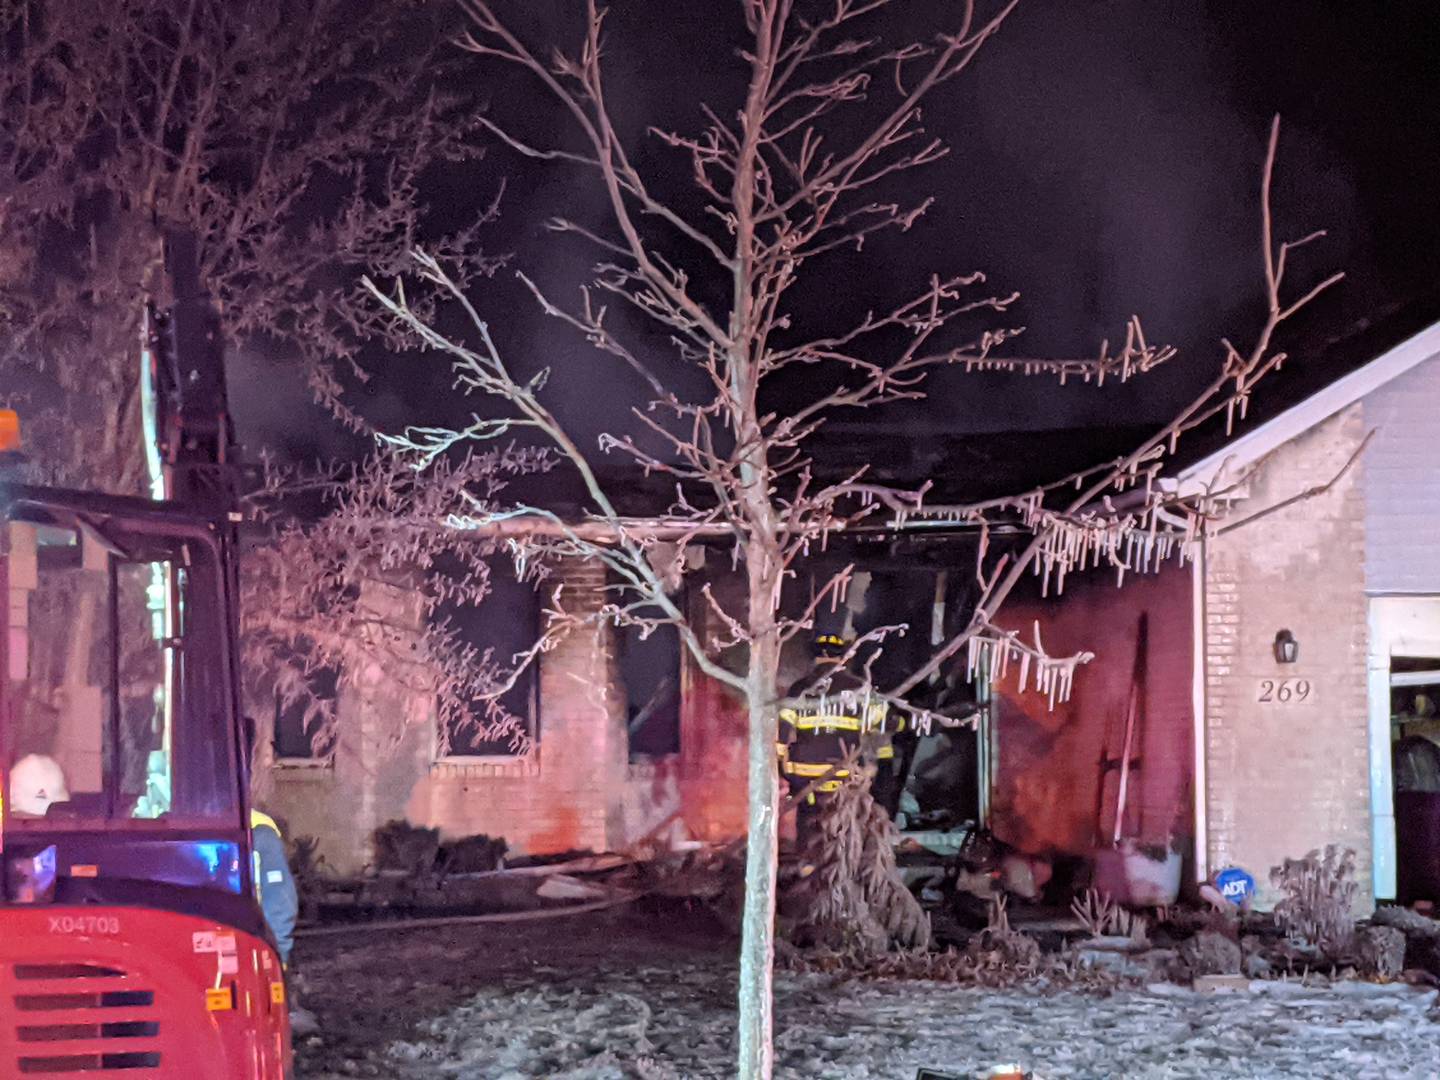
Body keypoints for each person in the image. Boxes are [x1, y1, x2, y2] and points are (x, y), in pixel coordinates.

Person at [778, 632, 898, 831]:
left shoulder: (800, 688)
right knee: (845, 824)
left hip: (804, 776)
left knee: (807, 822)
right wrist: (905, 723)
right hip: (846, 773)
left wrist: (781, 768)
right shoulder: (860, 688)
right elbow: (887, 722)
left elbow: (782, 734)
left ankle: (807, 844)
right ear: (843, 657)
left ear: (814, 656)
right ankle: (842, 844)